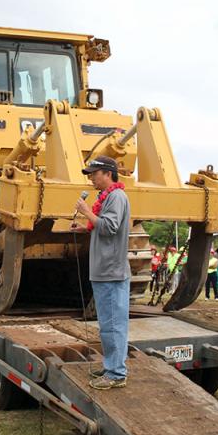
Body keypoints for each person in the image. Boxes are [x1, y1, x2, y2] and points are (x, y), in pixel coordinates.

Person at [73, 155, 131, 390]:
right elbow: (104, 228)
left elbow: (109, 227)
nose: (91, 179)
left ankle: (116, 373)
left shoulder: (116, 196)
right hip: (105, 271)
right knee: (108, 324)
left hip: (111, 272)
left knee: (113, 324)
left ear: (108, 174)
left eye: (94, 174)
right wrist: (86, 228)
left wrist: (87, 212)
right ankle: (112, 367)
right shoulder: (109, 197)